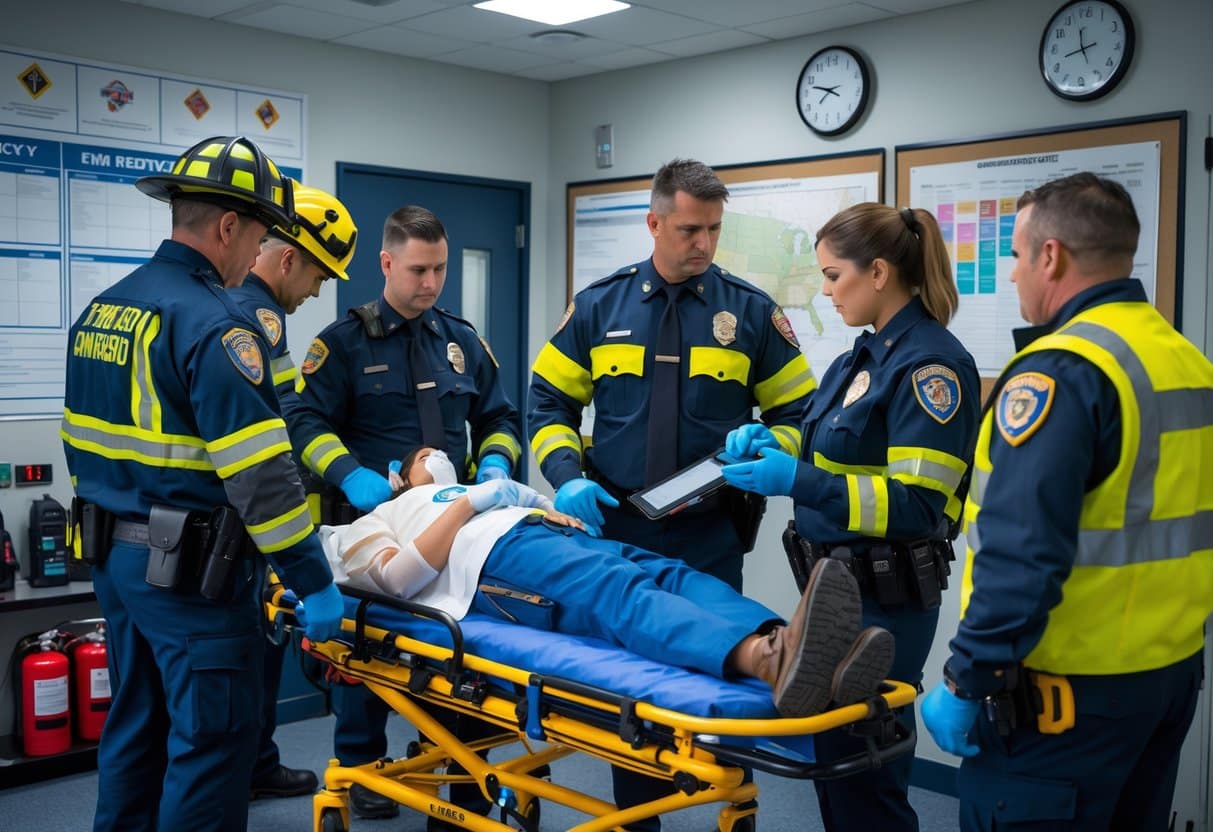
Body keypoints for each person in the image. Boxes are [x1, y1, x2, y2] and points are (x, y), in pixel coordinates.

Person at [59, 136, 344, 831]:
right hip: (189, 577)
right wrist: (313, 580)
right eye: (257, 238)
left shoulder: (104, 308)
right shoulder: (218, 325)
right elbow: (263, 480)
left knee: (136, 728)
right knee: (212, 746)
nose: (256, 257)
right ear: (226, 226)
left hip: (114, 561)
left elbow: (80, 443)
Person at [528, 159, 816, 829]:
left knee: (725, 677)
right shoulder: (600, 306)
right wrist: (567, 476)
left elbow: (801, 414)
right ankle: (639, 821)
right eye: (689, 229)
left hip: (709, 533)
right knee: (630, 687)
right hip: (616, 530)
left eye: (714, 229)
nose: (704, 244)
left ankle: (732, 815)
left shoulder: (748, 312)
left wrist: (774, 450)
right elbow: (546, 404)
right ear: (653, 222)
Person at [921, 172, 1213, 830]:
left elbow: (1021, 552)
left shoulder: (1063, 371)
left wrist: (968, 680)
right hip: (1164, 677)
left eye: (1017, 258)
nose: (1013, 276)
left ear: (1049, 256)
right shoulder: (1184, 358)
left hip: (1064, 699)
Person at [720, 202, 980, 831]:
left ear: (881, 273)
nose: (826, 291)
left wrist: (799, 481)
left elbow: (918, 504)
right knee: (835, 774)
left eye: (835, 276)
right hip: (831, 592)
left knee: (869, 788)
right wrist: (770, 445)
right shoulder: (856, 361)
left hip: (886, 598)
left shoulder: (931, 369)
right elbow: (827, 449)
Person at [324, 446, 895, 719]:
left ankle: (802, 644)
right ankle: (764, 658)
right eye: (421, 453)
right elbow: (398, 579)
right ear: (398, 476)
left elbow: (504, 499)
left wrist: (530, 502)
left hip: (538, 534)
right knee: (619, 594)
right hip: (491, 564)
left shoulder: (471, 487)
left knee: (673, 574)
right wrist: (473, 502)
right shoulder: (374, 520)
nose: (434, 453)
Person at [286, 205, 524, 823]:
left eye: (440, 268)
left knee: (455, 662)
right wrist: (348, 474)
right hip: (374, 529)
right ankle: (362, 772)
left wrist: (495, 464)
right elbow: (303, 423)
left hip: (448, 532)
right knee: (366, 666)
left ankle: (457, 771)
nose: (431, 282)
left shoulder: (462, 341)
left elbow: (500, 418)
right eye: (418, 269)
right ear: (387, 263)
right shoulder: (340, 345)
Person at [229, 183, 359, 801]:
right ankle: (248, 767)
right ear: (287, 259)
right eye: (317, 277)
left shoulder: (227, 305)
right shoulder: (256, 318)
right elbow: (275, 436)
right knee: (245, 661)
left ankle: (257, 761)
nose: (316, 293)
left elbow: (288, 416)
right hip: (242, 528)